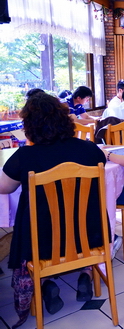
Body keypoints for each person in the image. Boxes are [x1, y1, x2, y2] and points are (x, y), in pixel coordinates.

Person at [0, 93, 106, 326]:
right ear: (64, 118)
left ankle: (46, 282)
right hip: (89, 236)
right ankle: (85, 273)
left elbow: (4, 187)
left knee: (33, 227)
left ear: (29, 126)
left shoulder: (25, 156)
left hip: (44, 243)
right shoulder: (90, 151)